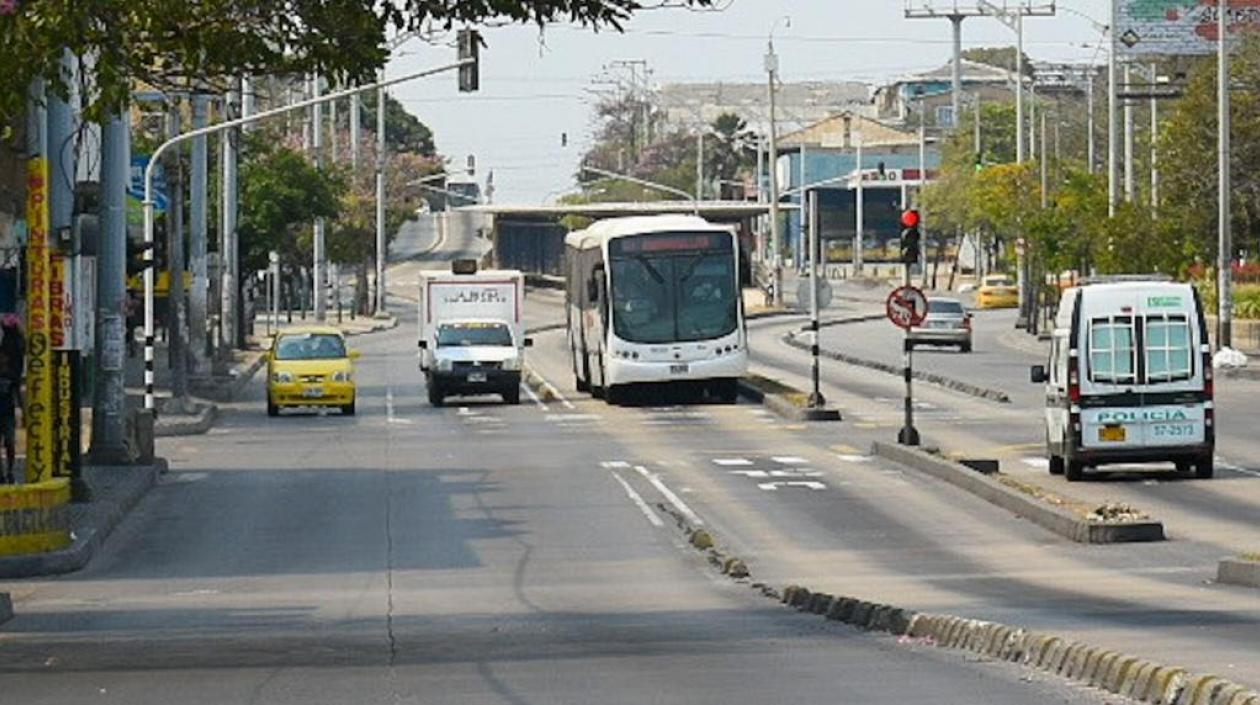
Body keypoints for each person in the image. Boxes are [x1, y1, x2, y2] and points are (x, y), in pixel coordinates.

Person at [0, 351, 20, 484]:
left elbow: (17, 393)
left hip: (8, 414)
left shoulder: (11, 375)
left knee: (10, 442)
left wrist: (23, 410)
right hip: (5, 413)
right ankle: (1, 473)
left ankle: (10, 470)